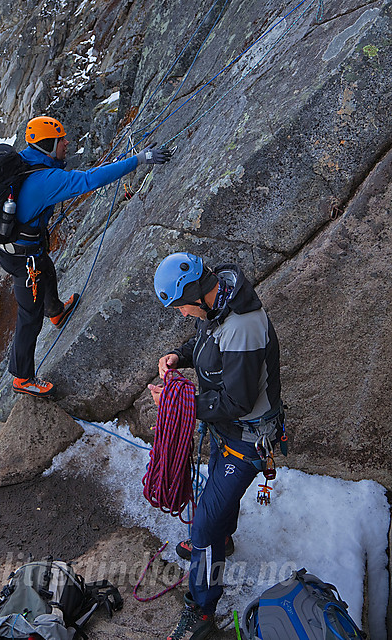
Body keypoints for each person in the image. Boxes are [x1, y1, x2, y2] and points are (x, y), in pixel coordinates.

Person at [150, 252, 282, 640]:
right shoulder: (220, 302)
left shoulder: (242, 326)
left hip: (246, 439)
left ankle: (202, 610)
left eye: (181, 306)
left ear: (196, 294)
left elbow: (238, 401)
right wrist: (181, 355)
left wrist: (180, 402)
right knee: (217, 503)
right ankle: (222, 538)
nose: (182, 314)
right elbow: (206, 341)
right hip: (230, 433)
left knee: (204, 523)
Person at [1, 115, 171, 397]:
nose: (67, 143)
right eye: (61, 140)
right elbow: (91, 180)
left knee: (46, 268)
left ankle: (55, 312)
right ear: (47, 145)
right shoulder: (45, 180)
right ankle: (22, 378)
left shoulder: (27, 161)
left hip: (22, 249)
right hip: (21, 257)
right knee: (29, 314)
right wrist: (138, 160)